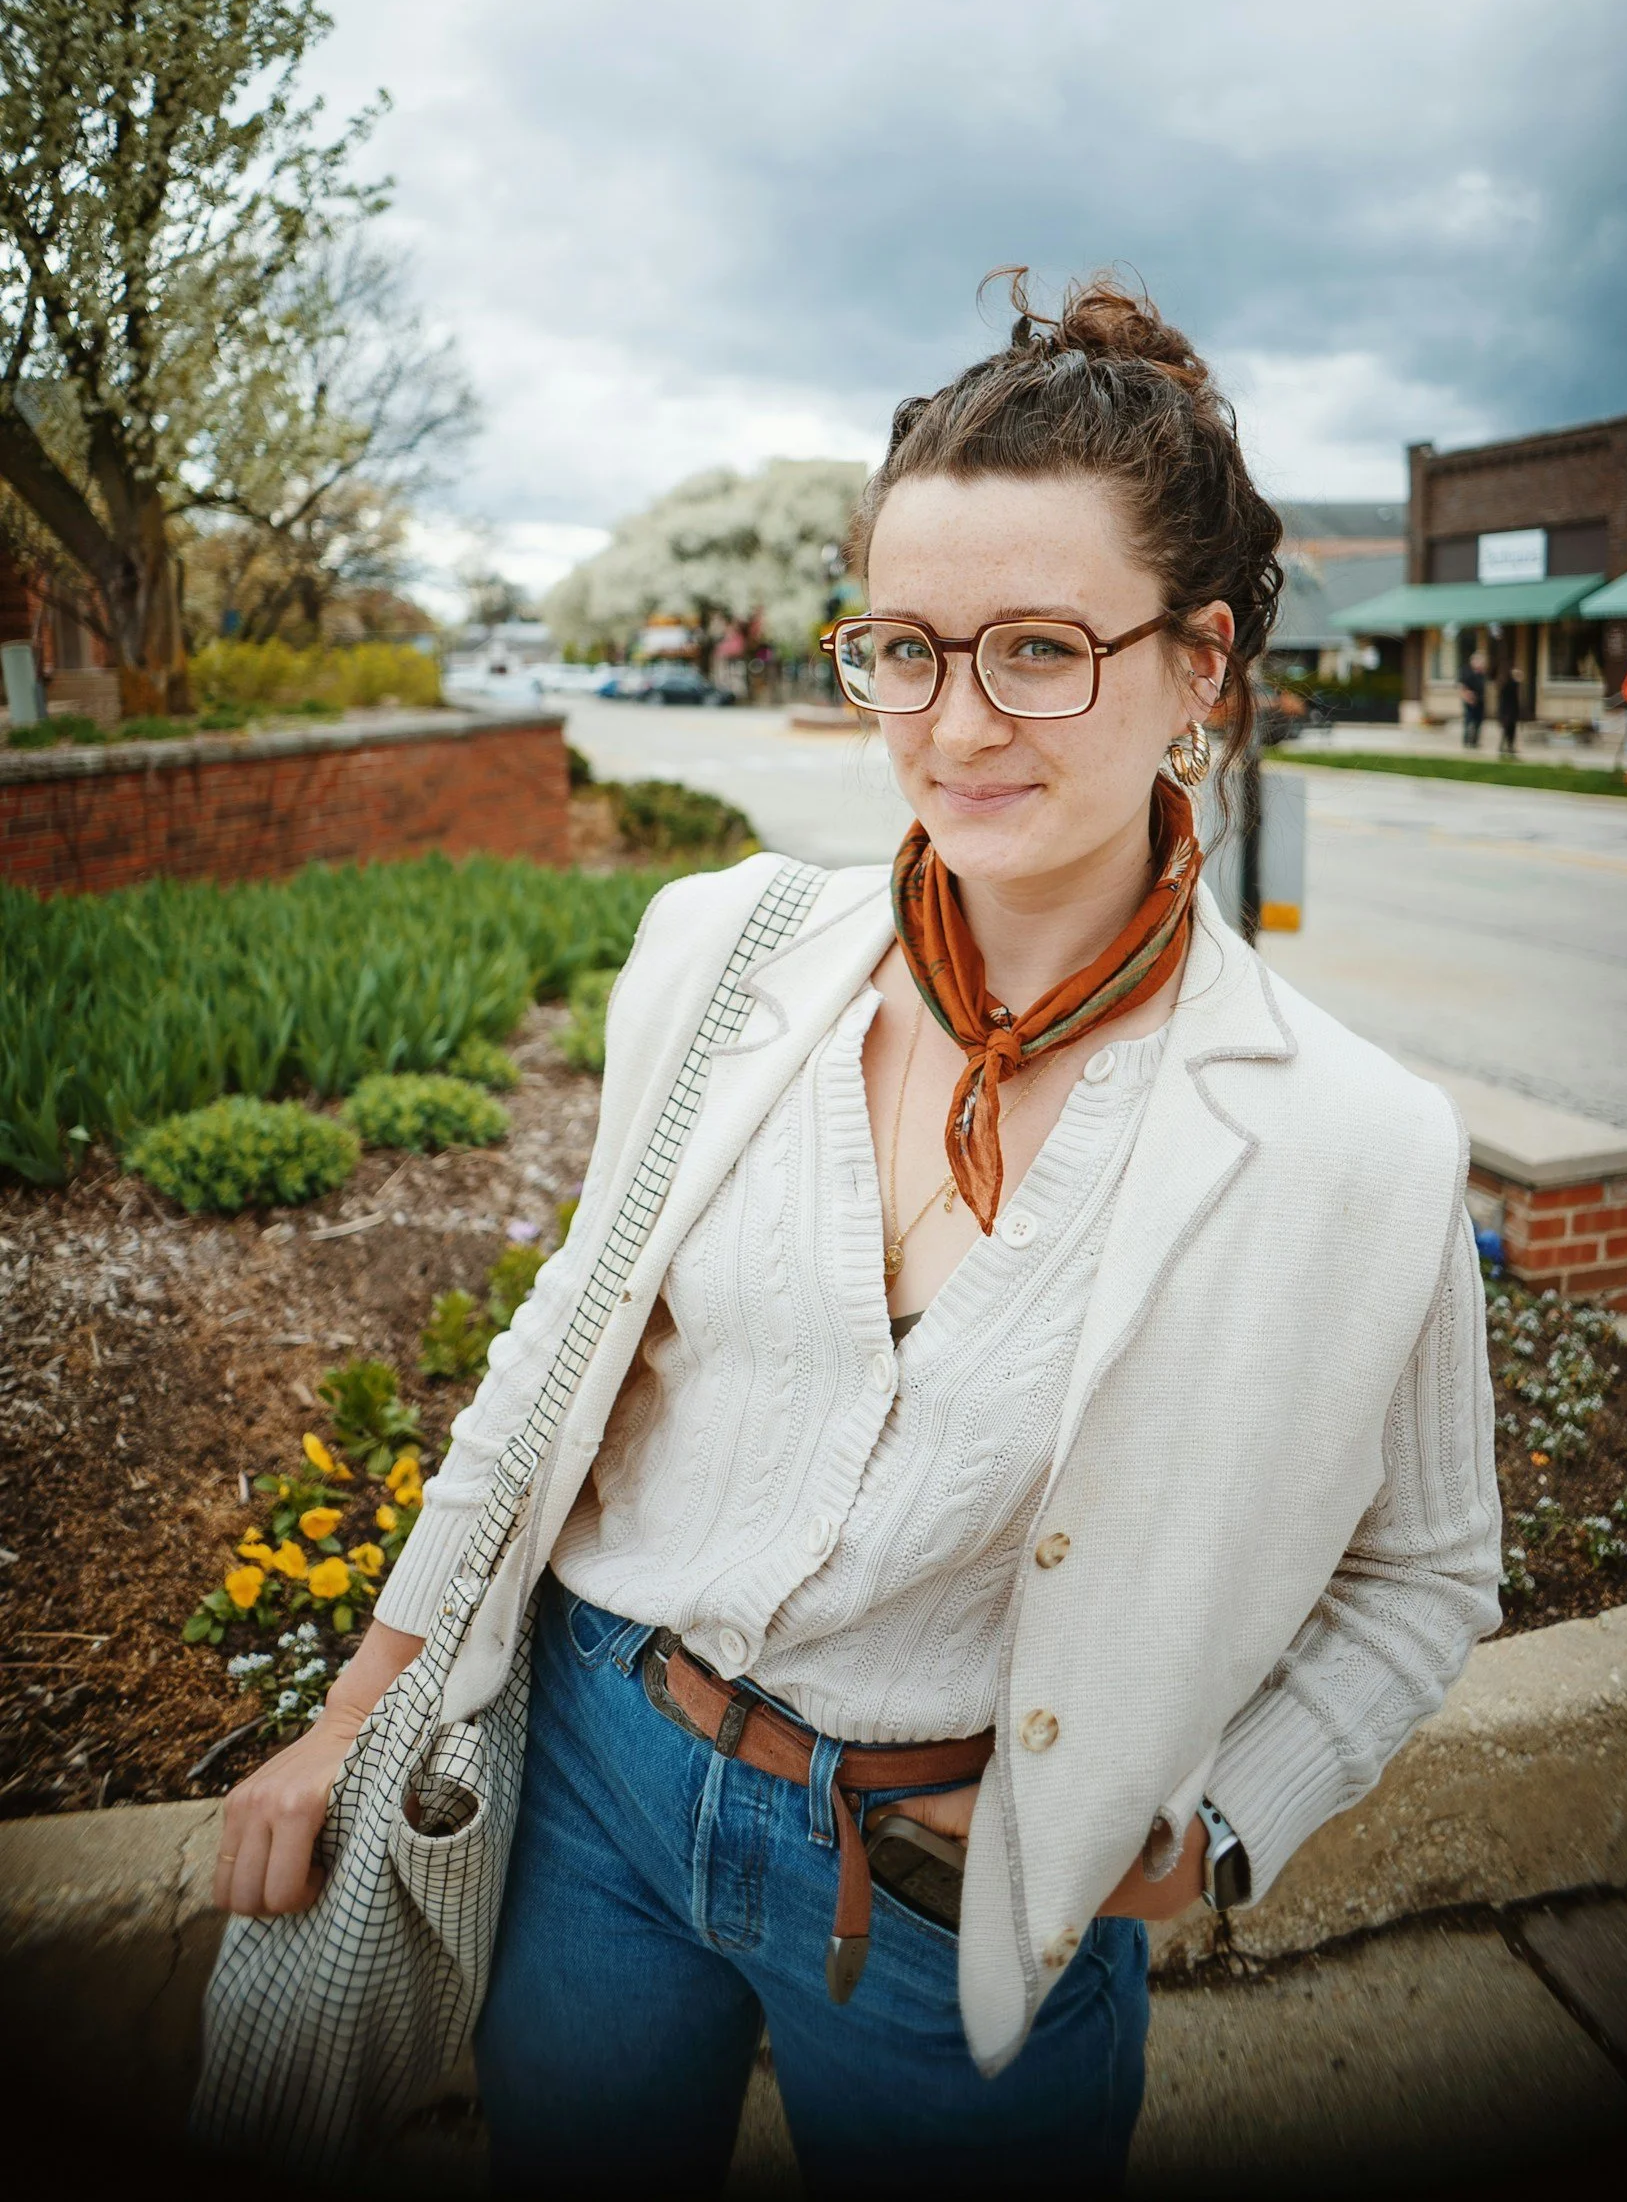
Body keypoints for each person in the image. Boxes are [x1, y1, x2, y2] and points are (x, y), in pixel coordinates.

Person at [211, 275, 1500, 2196]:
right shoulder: (725, 953)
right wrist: (356, 1709)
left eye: (1039, 650)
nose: (953, 725)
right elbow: (565, 1340)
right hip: (599, 1787)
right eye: (905, 647)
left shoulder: (1349, 1145)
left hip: (951, 1903)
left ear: (1202, 665)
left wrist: (1210, 1827)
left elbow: (1429, 1571)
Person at [1460, 650, 1487, 747]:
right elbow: (1464, 687)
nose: (1481, 664)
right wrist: (1469, 698)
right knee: (1469, 721)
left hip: (1480, 701)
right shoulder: (1467, 672)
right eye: (1479, 661)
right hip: (1470, 701)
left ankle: (1475, 741)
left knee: (1478, 722)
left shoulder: (1482, 675)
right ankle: (1467, 741)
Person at [1497, 664, 1521, 758]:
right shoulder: (1510, 685)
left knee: (1510, 731)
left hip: (1511, 712)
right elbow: (1506, 701)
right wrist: (1504, 714)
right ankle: (1504, 747)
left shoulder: (1514, 685)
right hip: (1507, 713)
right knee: (1507, 731)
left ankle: (1508, 747)